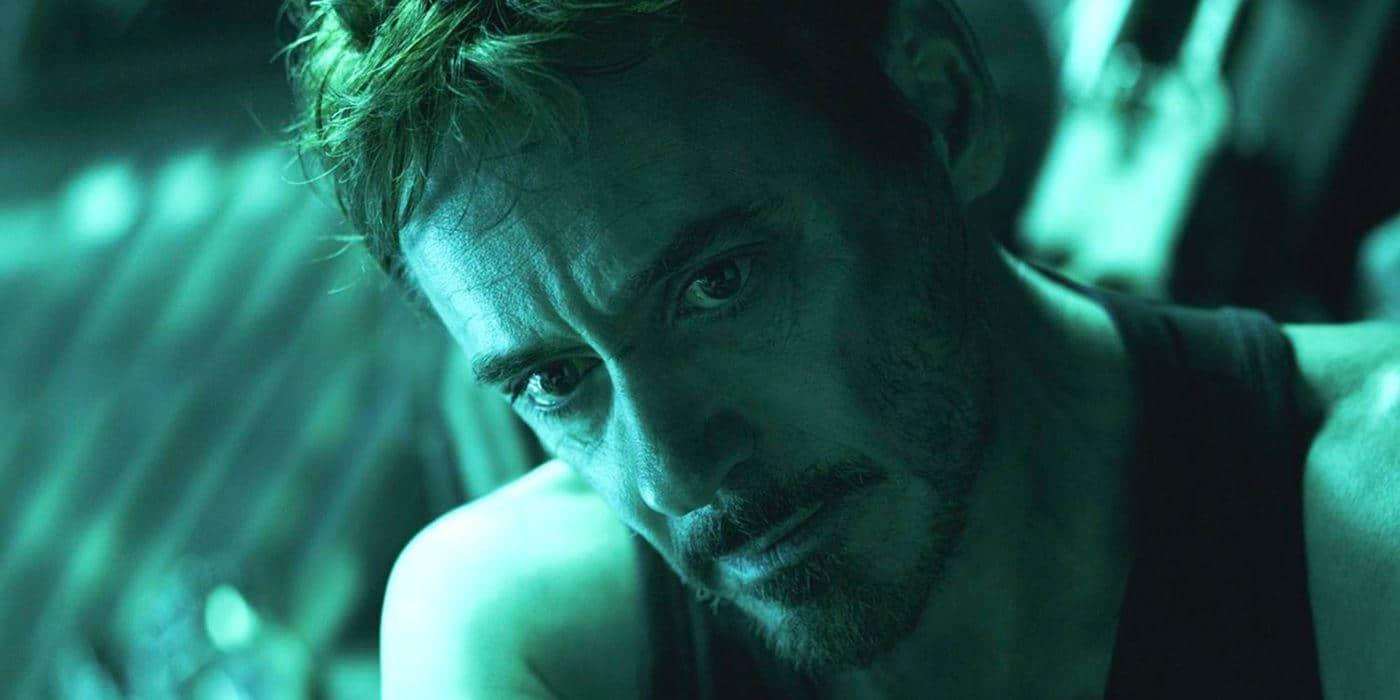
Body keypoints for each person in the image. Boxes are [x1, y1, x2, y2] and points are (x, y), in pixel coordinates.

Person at [283, 1, 1400, 697]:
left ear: (941, 108)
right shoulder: (526, 630)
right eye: (555, 378)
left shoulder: (1363, 506)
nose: (672, 471)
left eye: (716, 285)